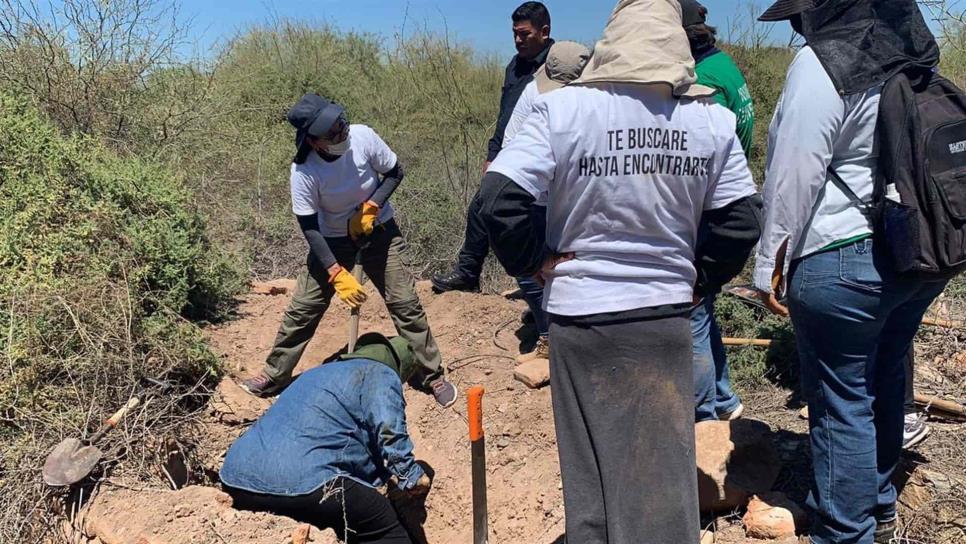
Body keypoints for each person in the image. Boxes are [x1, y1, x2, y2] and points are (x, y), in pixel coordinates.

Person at [479, 1, 763, 541]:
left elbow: (498, 200)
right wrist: (699, 280)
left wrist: (532, 260)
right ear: (677, 48)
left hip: (578, 318)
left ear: (611, 43)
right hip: (662, 316)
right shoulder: (711, 121)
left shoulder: (560, 111)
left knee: (588, 466)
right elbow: (742, 220)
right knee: (660, 467)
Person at [754, 1, 944, 542]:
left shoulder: (821, 63)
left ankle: (845, 530)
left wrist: (770, 265)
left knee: (842, 400)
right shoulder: (914, 51)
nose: (795, 25)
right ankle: (879, 506)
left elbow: (794, 170)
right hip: (917, 252)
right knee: (883, 378)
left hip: (843, 252)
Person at [241, 94, 457, 408]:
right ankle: (274, 375)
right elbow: (310, 226)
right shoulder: (304, 172)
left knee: (404, 302)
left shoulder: (363, 136)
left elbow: (394, 173)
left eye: (342, 124)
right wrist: (334, 271)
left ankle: (431, 373)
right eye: (333, 133)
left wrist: (372, 206)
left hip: (379, 232)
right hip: (331, 241)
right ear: (315, 142)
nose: (343, 133)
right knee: (304, 309)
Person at [222, 333, 430, 544]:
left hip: (237, 478)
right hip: (302, 482)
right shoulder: (381, 373)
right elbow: (389, 431)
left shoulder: (317, 373)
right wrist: (410, 475)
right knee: (385, 529)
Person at [431, 1, 553, 295]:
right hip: (509, 154)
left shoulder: (555, 68)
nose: (517, 39)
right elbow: (505, 114)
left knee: (538, 223)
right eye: (514, 33)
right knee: (481, 207)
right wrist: (493, 154)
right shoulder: (515, 65)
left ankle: (537, 291)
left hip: (541, 157)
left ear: (544, 32)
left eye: (524, 34)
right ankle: (469, 273)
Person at [680, 0, 756, 422]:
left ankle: (703, 415)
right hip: (726, 193)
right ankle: (724, 398)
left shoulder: (703, 78)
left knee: (691, 310)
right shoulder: (724, 64)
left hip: (711, 204)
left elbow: (704, 146)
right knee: (703, 308)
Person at [501, 40, 592, 365]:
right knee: (534, 267)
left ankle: (562, 332)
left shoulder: (591, 102)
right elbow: (512, 144)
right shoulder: (536, 96)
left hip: (562, 197)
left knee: (561, 263)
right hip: (540, 196)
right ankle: (548, 333)